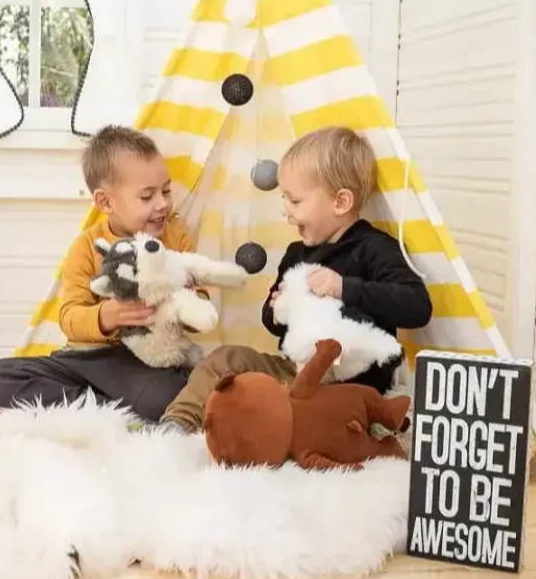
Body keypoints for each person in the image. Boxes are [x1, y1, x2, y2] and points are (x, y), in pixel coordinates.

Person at [159, 126, 432, 432]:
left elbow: (417, 306)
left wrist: (343, 288)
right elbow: (273, 323)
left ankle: (273, 421)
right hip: (296, 371)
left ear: (340, 202)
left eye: (295, 201)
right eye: (284, 199)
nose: (285, 211)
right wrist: (276, 309)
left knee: (291, 412)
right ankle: (179, 421)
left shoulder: (374, 248)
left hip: (351, 388)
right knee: (227, 358)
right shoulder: (296, 253)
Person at [0, 125, 204, 421]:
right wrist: (106, 316)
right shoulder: (85, 246)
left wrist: (183, 303)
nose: (162, 204)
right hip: (84, 360)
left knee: (170, 397)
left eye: (165, 191)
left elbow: (200, 304)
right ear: (105, 202)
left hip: (141, 365)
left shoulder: (176, 239)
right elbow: (69, 317)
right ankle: (99, 407)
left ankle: (99, 406)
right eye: (147, 197)